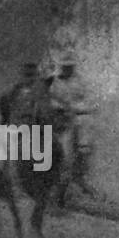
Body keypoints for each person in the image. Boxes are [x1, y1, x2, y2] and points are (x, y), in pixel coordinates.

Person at [48, 55, 98, 204]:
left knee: (85, 145)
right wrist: (60, 107)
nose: (68, 69)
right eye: (65, 66)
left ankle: (80, 178)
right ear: (61, 66)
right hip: (59, 121)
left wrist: (78, 108)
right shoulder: (53, 81)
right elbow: (47, 99)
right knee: (61, 152)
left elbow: (90, 99)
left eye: (70, 66)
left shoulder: (80, 81)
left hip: (77, 118)